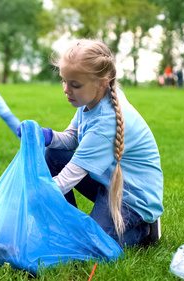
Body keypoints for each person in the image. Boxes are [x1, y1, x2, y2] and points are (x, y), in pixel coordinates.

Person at [20, 39, 163, 248]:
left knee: (93, 246)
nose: (66, 89)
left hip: (131, 198)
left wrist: (32, 195)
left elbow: (70, 177)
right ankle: (66, 225)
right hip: (108, 182)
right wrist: (47, 136)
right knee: (53, 154)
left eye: (75, 85)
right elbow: (71, 139)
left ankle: (143, 228)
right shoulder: (92, 99)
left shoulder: (106, 121)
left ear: (102, 83)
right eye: (64, 81)